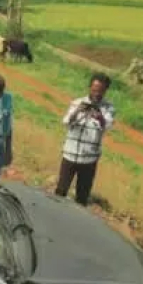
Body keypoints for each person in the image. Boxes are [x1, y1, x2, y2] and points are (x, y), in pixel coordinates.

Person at [56, 73, 116, 206]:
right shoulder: (77, 102)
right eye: (94, 90)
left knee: (82, 197)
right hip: (70, 154)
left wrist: (99, 117)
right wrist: (77, 111)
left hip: (89, 158)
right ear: (89, 87)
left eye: (100, 91)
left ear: (105, 91)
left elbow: (108, 126)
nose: (97, 94)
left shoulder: (108, 108)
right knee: (60, 190)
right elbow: (66, 122)